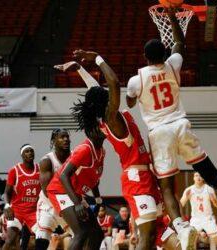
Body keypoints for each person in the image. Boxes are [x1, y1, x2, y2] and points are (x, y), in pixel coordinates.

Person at [126, 8, 217, 249]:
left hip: (160, 133)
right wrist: (170, 16)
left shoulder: (136, 80)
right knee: (209, 171)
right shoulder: (173, 65)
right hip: (181, 125)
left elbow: (129, 101)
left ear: (145, 57)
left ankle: (180, 225)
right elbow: (179, 42)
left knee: (166, 186)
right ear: (164, 53)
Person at [59, 49, 163, 250]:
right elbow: (114, 83)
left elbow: (95, 91)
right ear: (104, 102)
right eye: (105, 94)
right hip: (135, 176)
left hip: (144, 173)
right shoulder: (112, 118)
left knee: (154, 235)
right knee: (146, 235)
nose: (107, 91)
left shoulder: (104, 114)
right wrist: (97, 58)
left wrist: (80, 68)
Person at [46, 103, 106, 249]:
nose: (105, 130)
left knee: (97, 233)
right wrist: (78, 203)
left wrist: (98, 199)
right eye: (101, 127)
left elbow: (94, 179)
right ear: (93, 131)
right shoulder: (84, 149)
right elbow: (63, 176)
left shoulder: (101, 151)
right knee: (81, 231)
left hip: (75, 194)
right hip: (60, 191)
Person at [35, 129, 71, 250]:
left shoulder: (75, 158)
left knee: (83, 236)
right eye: (62, 137)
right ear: (54, 141)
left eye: (67, 137)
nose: (66, 139)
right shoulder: (47, 161)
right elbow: (47, 191)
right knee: (42, 239)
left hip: (68, 203)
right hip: (48, 205)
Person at [3, 144, 41, 250]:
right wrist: (7, 206)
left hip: (33, 211)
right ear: (22, 155)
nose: (30, 153)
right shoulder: (14, 171)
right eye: (27, 151)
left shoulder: (40, 169)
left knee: (43, 237)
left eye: (31, 151)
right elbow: (6, 192)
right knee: (10, 239)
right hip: (17, 210)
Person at [180, 172, 217, 250]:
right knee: (191, 241)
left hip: (208, 218)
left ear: (203, 178)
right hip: (196, 219)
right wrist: (186, 197)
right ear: (193, 178)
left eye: (200, 175)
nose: (198, 177)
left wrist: (213, 199)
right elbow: (181, 204)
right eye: (196, 175)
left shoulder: (209, 189)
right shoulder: (189, 190)